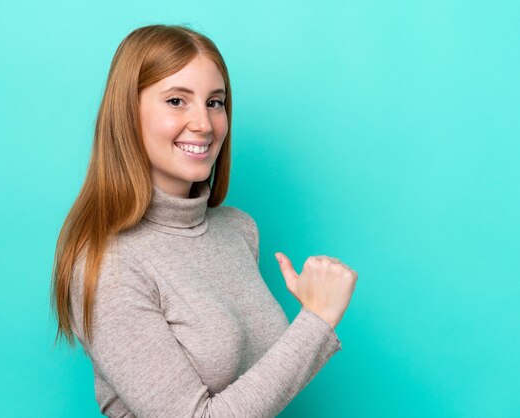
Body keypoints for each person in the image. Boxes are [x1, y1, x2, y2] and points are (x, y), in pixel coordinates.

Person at [50, 23, 358, 417]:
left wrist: (310, 323)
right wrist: (315, 321)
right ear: (127, 113)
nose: (204, 124)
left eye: (215, 102)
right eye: (177, 101)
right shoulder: (109, 264)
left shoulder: (238, 230)